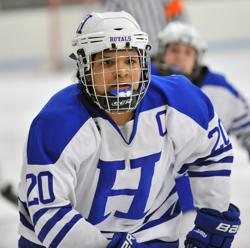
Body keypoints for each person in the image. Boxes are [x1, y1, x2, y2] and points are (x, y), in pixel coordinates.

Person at [18, 11, 240, 248]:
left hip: (152, 232)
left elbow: (211, 153)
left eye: (130, 61)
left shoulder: (180, 101)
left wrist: (214, 211)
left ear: (144, 62)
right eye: (106, 62)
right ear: (84, 67)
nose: (121, 71)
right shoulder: (57, 123)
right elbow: (49, 210)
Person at [153, 21, 250, 212]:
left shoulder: (219, 89)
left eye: (187, 53)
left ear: (197, 59)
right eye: (174, 50)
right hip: (148, 198)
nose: (180, 57)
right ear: (162, 53)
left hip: (198, 198)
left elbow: (247, 126)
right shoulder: (144, 81)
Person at [102, 0, 189, 57]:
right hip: (137, 56)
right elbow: (106, 26)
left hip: (165, 57)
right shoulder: (115, 2)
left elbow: (182, 25)